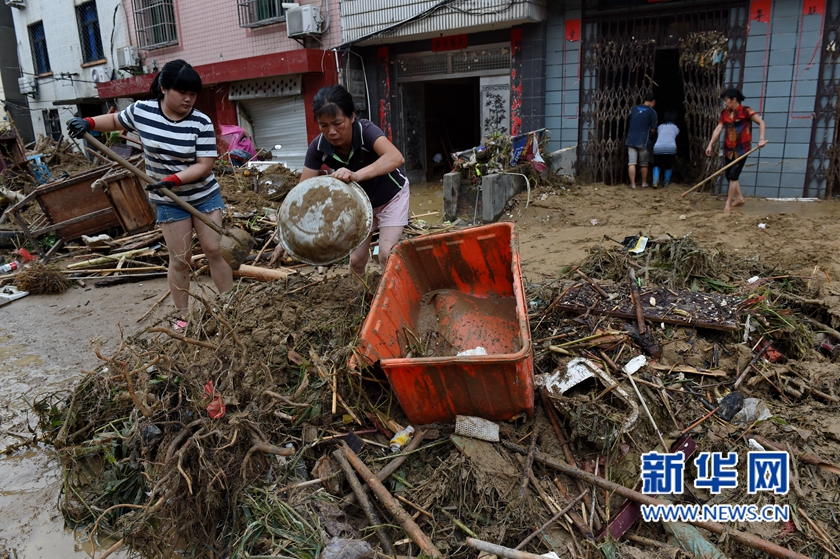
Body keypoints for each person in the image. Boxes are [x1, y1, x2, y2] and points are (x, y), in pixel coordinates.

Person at [67, 59, 231, 327]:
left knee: (214, 248)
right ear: (164, 88)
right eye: (183, 93)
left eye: (193, 94)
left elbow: (204, 165)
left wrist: (174, 179)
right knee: (180, 259)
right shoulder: (142, 111)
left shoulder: (200, 122)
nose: (189, 99)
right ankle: (183, 317)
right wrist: (87, 122)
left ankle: (229, 305)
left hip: (203, 195)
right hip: (168, 201)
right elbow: (114, 120)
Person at [271, 84, 408, 275]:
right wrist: (284, 239)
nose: (332, 132)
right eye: (324, 125)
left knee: (386, 254)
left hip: (390, 197)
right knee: (356, 261)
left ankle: (389, 301)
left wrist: (357, 175)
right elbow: (300, 195)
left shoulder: (365, 131)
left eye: (337, 123)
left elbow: (396, 157)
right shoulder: (318, 148)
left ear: (352, 116)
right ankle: (359, 300)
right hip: (358, 204)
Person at [705, 87, 767, 212]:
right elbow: (718, 128)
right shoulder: (724, 113)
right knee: (729, 175)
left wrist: (761, 139)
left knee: (734, 175)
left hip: (743, 149)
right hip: (729, 148)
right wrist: (710, 144)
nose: (725, 103)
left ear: (734, 100)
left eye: (726, 100)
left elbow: (761, 122)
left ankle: (728, 204)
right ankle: (739, 198)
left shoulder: (746, 111)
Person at [625, 93, 657, 189]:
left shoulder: (634, 109)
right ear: (653, 102)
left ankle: (633, 184)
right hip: (643, 140)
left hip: (631, 139)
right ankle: (644, 183)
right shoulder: (652, 112)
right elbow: (653, 129)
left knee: (631, 163)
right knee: (644, 163)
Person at [652, 110, 679, 188]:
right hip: (671, 148)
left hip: (658, 147)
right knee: (668, 165)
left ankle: (655, 182)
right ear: (674, 120)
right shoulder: (675, 128)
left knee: (657, 164)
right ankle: (666, 182)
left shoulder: (660, 127)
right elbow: (677, 137)